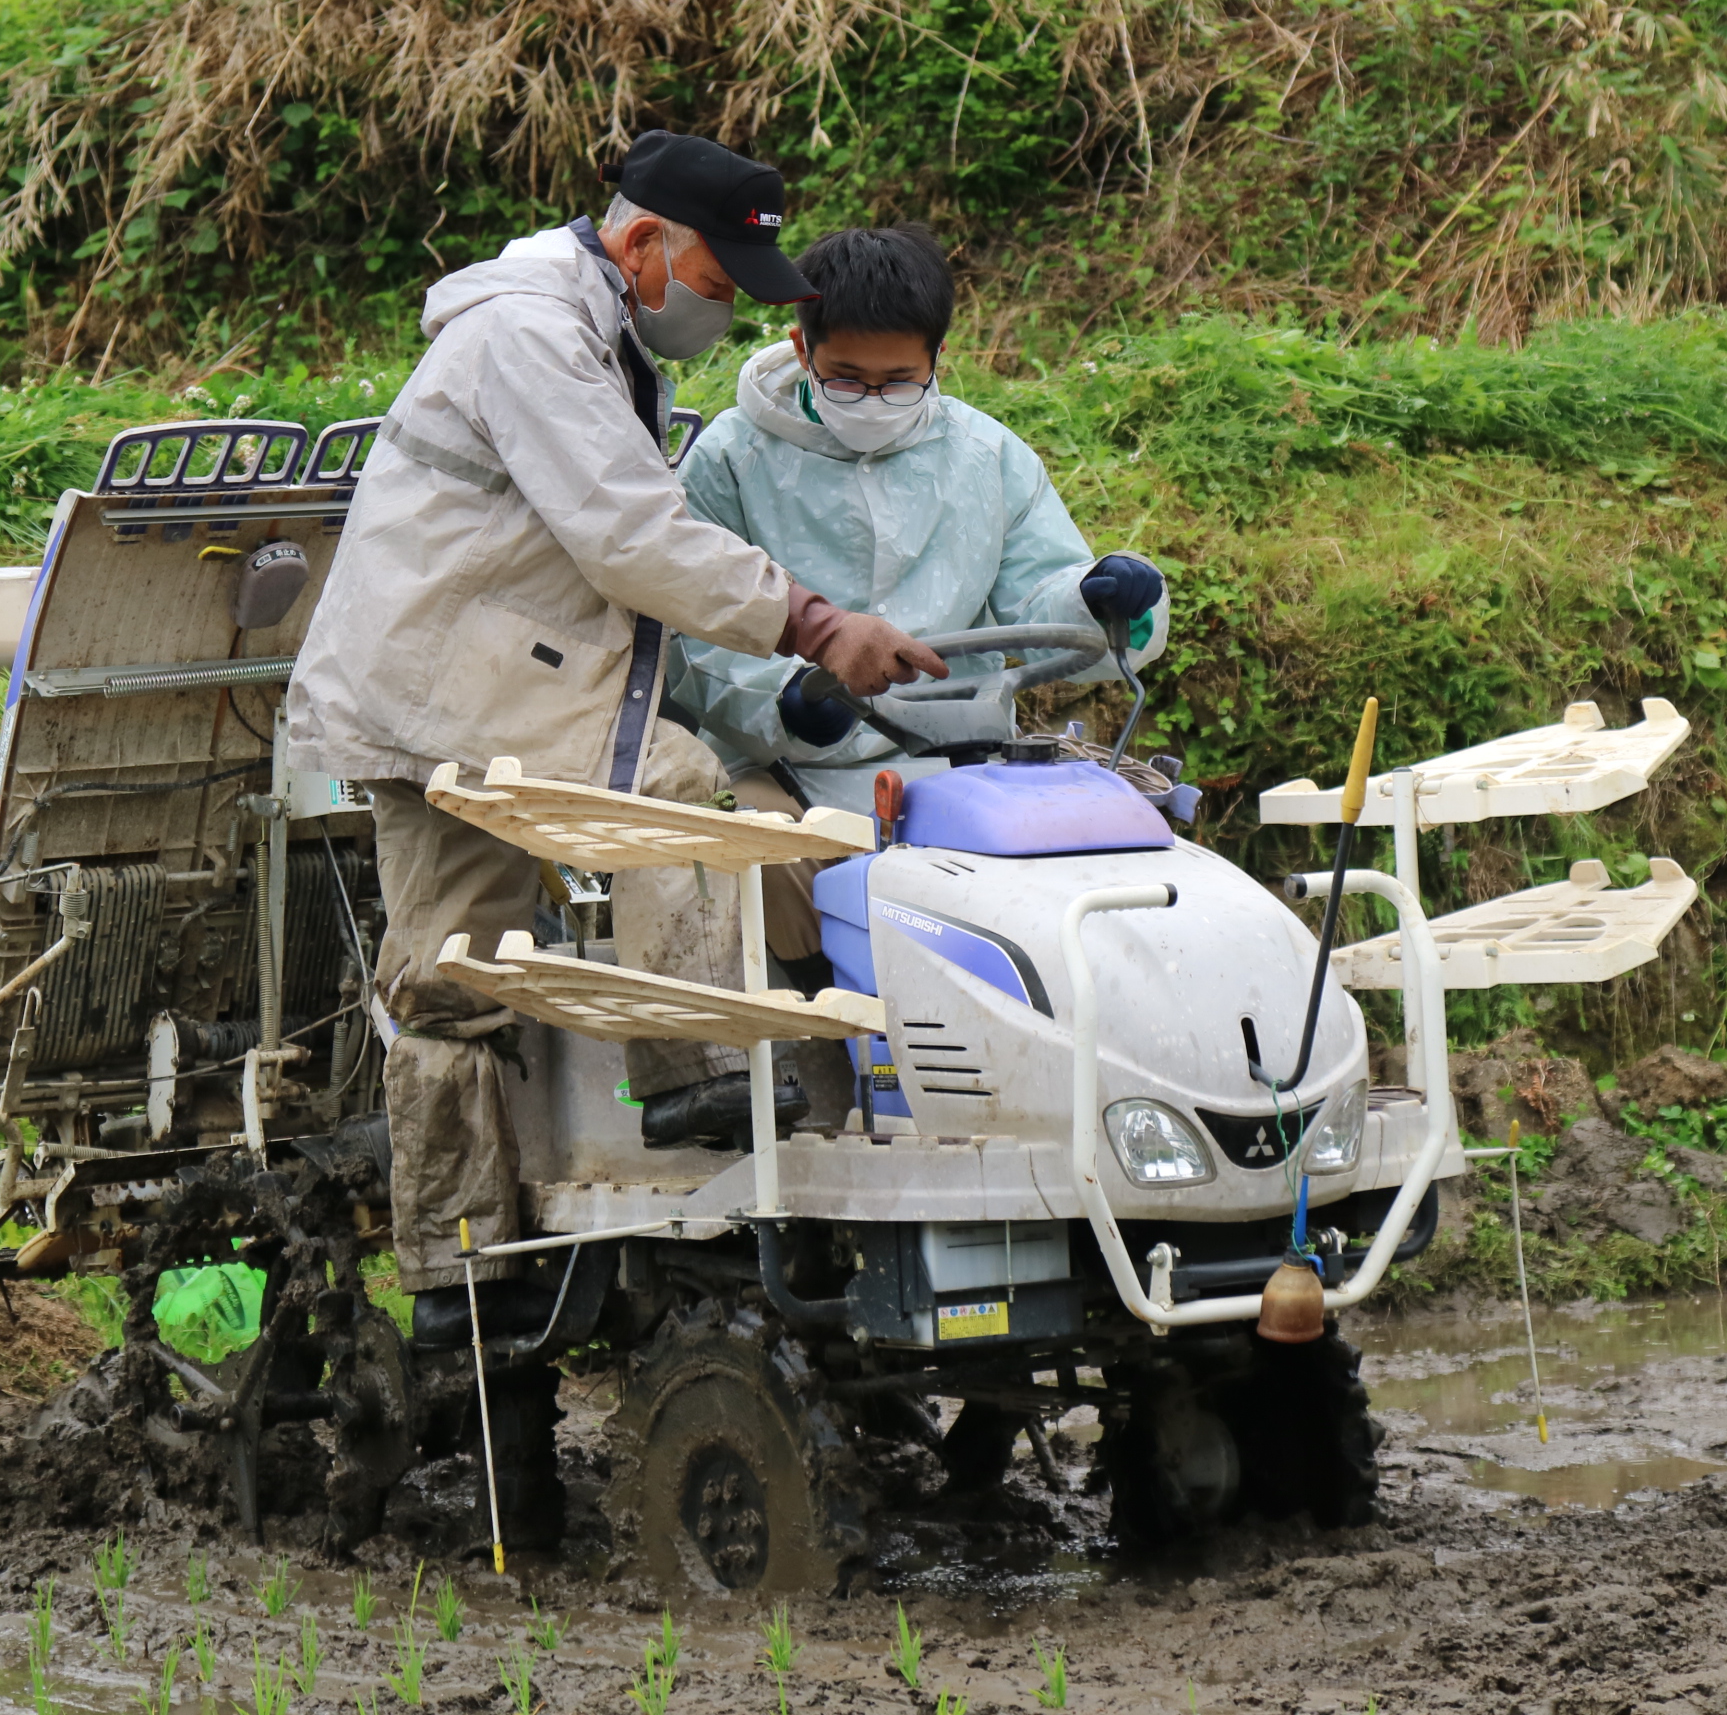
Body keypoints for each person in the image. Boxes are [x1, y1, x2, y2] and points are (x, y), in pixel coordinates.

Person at [284, 130, 946, 1400]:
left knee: (454, 975)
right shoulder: (529, 335)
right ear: (644, 245)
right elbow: (632, 536)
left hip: (485, 679)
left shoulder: (595, 333)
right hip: (453, 684)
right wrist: (813, 624)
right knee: (655, 812)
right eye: (717, 282)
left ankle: (461, 1293)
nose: (722, 314)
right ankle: (663, 1103)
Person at [667, 223, 1167, 982]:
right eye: (845, 378)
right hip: (787, 763)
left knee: (1096, 883)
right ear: (803, 351)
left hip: (963, 763)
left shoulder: (988, 457)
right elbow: (696, 637)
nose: (872, 399)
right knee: (759, 853)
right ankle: (822, 1046)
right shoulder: (728, 463)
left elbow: (1043, 599)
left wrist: (1099, 597)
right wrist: (791, 701)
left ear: (938, 359)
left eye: (898, 380)